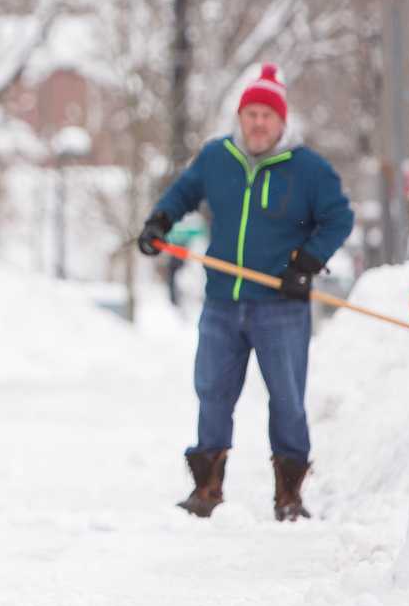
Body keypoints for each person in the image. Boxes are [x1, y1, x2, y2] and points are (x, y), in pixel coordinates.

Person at [138, 64, 354, 522]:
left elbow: (339, 217)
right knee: (212, 391)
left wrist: (307, 263)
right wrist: (159, 222)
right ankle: (206, 489)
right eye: (251, 114)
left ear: (281, 121)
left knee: (288, 399)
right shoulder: (217, 158)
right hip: (221, 302)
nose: (258, 123)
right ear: (241, 117)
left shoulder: (307, 168)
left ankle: (289, 497)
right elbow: (183, 192)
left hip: (281, 306)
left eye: (266, 115)